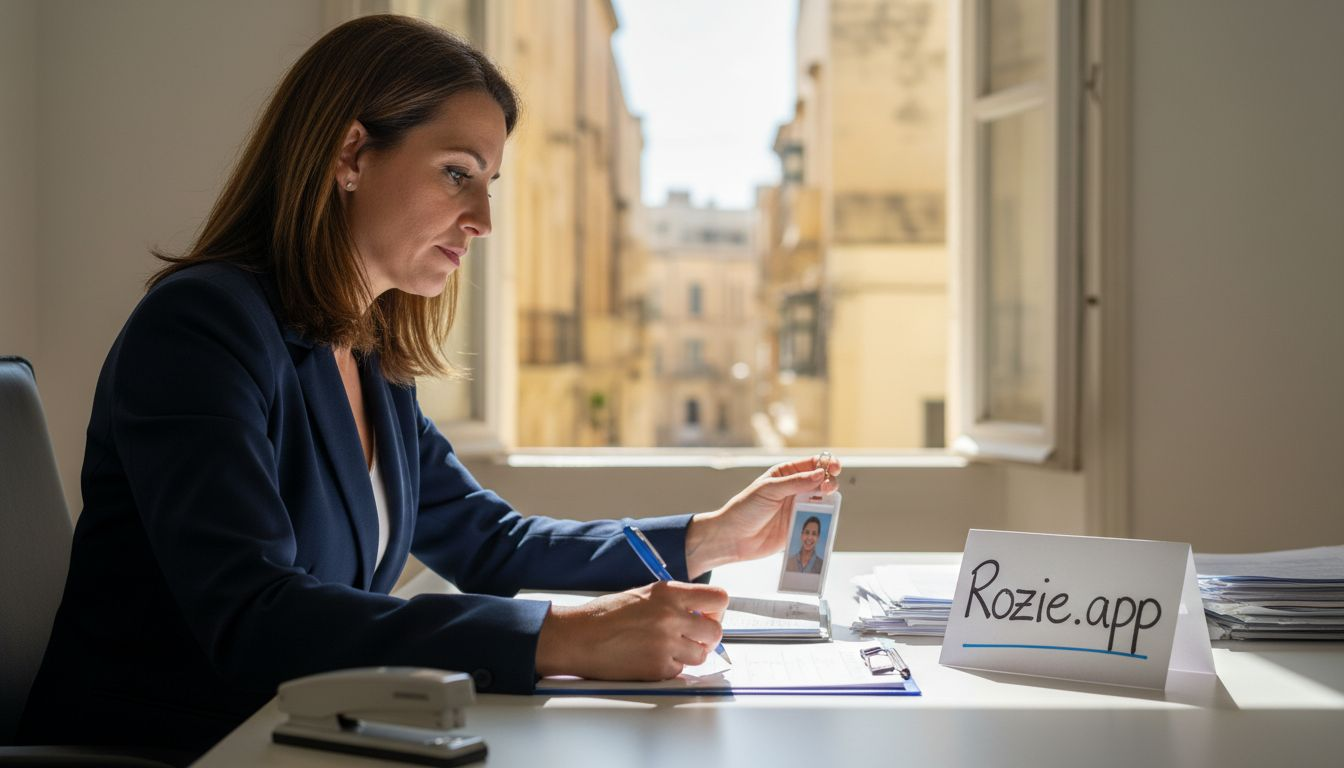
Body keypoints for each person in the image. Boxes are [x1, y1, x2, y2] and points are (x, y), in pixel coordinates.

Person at [16, 14, 841, 763]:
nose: (482, 218)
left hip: (305, 743)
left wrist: (707, 539)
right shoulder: (203, 327)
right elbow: (255, 616)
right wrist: (564, 636)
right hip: (178, 751)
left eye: (489, 184)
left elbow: (491, 543)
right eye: (457, 174)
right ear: (349, 155)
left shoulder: (367, 349)